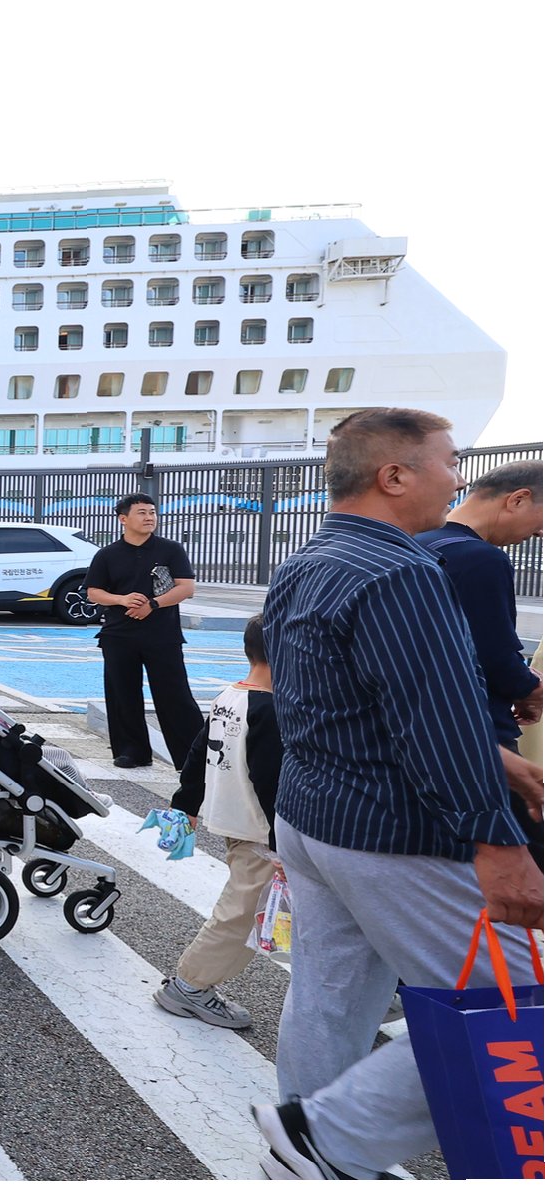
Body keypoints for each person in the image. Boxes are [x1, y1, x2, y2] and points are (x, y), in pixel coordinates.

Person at [251, 409, 541, 1181]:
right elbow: (432, 718)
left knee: (331, 997)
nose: (457, 478)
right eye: (450, 462)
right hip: (392, 827)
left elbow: (351, 696)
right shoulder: (399, 572)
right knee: (512, 1001)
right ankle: (328, 1137)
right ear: (395, 475)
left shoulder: (307, 558)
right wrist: (500, 843)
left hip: (313, 812)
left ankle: (306, 1146)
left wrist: (498, 760)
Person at [155, 614, 280, 1030]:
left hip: (234, 821)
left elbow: (198, 754)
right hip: (260, 832)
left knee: (252, 909)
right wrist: (283, 845)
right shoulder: (270, 710)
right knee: (241, 913)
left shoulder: (230, 695)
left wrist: (185, 805)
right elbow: (270, 783)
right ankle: (190, 985)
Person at [417, 460, 545, 865]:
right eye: (541, 521)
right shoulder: (480, 557)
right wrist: (531, 690)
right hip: (481, 737)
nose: (539, 533)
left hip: (425, 736)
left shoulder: (417, 542)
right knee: (525, 860)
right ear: (518, 499)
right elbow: (494, 656)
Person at [85, 493, 203, 769]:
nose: (150, 517)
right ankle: (132, 751)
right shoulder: (107, 554)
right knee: (122, 694)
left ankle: (193, 757)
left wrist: (153, 604)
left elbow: (186, 587)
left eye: (152, 512)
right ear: (123, 519)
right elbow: (93, 592)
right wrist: (122, 600)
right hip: (118, 635)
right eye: (142, 513)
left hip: (162, 634)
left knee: (175, 695)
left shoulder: (171, 550)